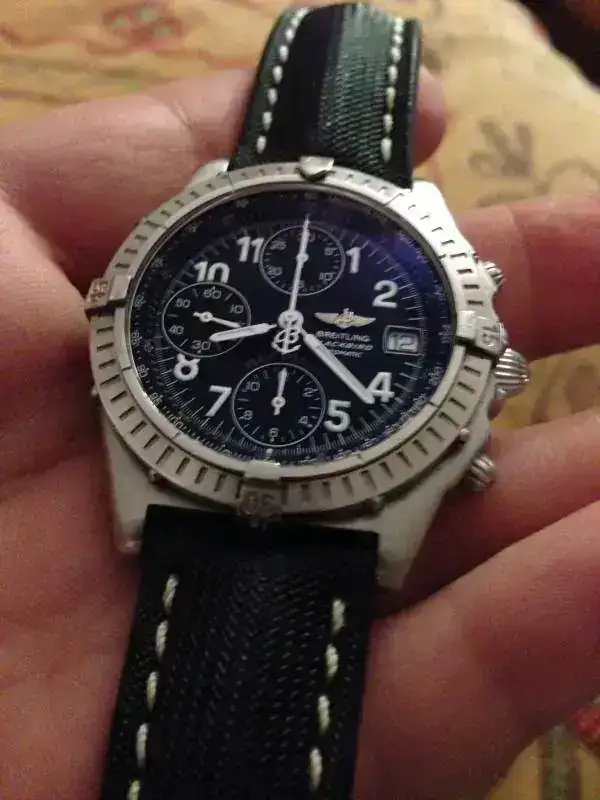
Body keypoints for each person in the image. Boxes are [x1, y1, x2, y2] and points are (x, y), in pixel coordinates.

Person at [0, 68, 598, 800]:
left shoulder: (425, 268)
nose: (289, 324)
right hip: (187, 468)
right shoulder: (197, 229)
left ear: (489, 365)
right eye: (282, 320)